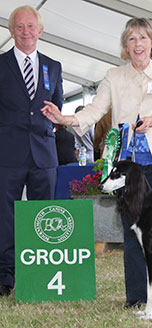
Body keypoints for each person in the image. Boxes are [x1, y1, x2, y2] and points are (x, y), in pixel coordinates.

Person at [41, 17, 152, 309]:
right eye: (131, 39)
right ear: (125, 46)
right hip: (127, 165)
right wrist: (66, 119)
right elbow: (96, 109)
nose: (137, 44)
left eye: (143, 38)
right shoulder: (113, 76)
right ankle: (135, 297)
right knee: (133, 229)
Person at [0, 5, 63, 296]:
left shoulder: (54, 66)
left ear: (40, 31)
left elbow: (58, 107)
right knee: (5, 217)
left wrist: (56, 115)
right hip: (7, 154)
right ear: (11, 31)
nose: (26, 32)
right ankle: (6, 277)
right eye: (20, 27)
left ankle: (41, 276)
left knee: (44, 217)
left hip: (44, 154)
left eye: (31, 26)